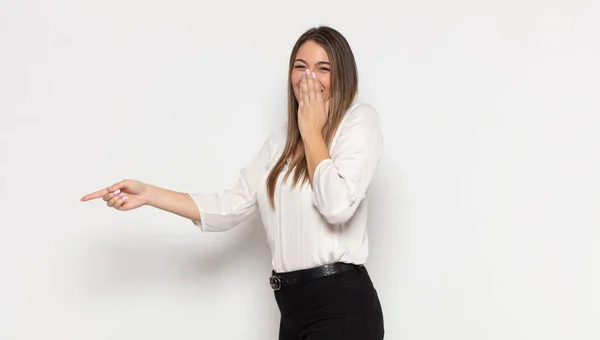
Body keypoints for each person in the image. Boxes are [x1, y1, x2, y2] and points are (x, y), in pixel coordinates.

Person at [81, 26, 385, 340]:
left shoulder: (358, 122)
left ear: (342, 76)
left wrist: (311, 130)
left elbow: (337, 206)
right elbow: (229, 206)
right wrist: (148, 194)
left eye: (323, 69)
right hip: (292, 308)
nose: (309, 78)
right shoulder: (281, 141)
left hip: (340, 305)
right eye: (300, 67)